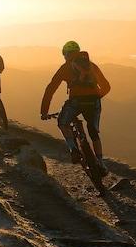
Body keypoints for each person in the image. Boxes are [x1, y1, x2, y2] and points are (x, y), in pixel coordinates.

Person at [40, 41, 111, 171]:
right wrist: (95, 97)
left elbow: (50, 89)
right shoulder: (91, 66)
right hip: (94, 102)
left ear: (66, 54)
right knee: (94, 132)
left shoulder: (65, 67)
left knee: (62, 122)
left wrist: (44, 111)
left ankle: (73, 149)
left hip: (76, 102)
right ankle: (101, 163)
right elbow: (106, 87)